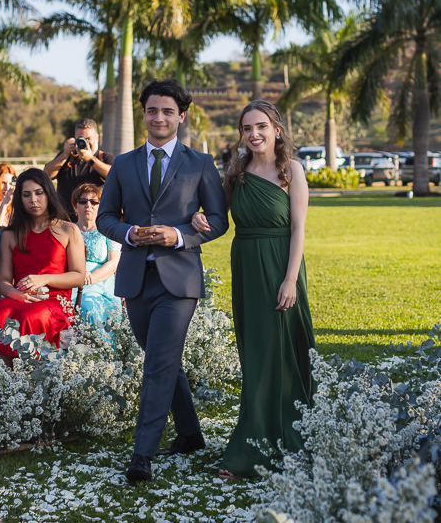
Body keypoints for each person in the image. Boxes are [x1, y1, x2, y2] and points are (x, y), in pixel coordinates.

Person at [97, 78, 229, 482]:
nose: (159, 117)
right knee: (164, 360)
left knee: (156, 364)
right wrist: (130, 234)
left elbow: (220, 221)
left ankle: (143, 455)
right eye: (153, 110)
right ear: (144, 114)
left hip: (179, 280)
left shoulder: (201, 164)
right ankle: (190, 434)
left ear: (181, 117)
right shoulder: (123, 163)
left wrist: (179, 235)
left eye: (168, 111)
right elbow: (105, 218)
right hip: (136, 278)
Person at [192, 99, 316, 478]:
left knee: (285, 351)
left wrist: (291, 279)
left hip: (282, 265)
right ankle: (251, 443)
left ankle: (293, 437)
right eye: (247, 128)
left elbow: (299, 229)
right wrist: (198, 222)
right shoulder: (236, 172)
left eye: (261, 126)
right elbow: (220, 222)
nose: (254, 134)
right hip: (246, 265)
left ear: (276, 129)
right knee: (257, 354)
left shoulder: (291, 170)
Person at [0, 168, 86, 358]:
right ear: (19, 199)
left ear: (48, 194)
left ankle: (30, 376)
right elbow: (3, 280)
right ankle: (3, 379)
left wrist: (44, 279)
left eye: (39, 193)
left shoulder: (68, 230)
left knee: (30, 317)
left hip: (55, 301)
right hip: (20, 297)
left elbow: (79, 276)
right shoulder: (10, 234)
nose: (33, 200)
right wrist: (15, 294)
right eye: (26, 195)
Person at [70, 182, 121, 328]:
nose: (88, 205)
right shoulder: (67, 231)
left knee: (88, 307)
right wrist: (77, 277)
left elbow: (113, 263)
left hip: (100, 286)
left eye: (94, 201)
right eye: (83, 201)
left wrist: (90, 278)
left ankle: (97, 349)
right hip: (71, 284)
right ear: (75, 206)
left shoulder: (108, 230)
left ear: (100, 206)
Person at [44, 118, 114, 220]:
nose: (85, 142)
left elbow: (114, 175)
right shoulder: (66, 157)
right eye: (81, 138)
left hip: (96, 224)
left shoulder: (105, 157)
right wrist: (65, 154)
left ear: (97, 138)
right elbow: (46, 174)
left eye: (88, 138)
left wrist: (91, 160)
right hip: (65, 222)